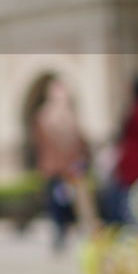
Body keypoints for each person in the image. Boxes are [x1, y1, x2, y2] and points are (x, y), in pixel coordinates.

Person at [32, 79, 90, 252]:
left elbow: (80, 142)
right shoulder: (44, 116)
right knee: (56, 204)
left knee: (68, 203)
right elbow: (42, 145)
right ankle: (60, 233)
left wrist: (80, 160)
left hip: (69, 169)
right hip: (54, 170)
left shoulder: (70, 116)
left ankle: (67, 231)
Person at [102, 77, 138, 225]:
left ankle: (123, 223)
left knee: (128, 196)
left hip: (134, 161)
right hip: (137, 160)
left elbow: (130, 133)